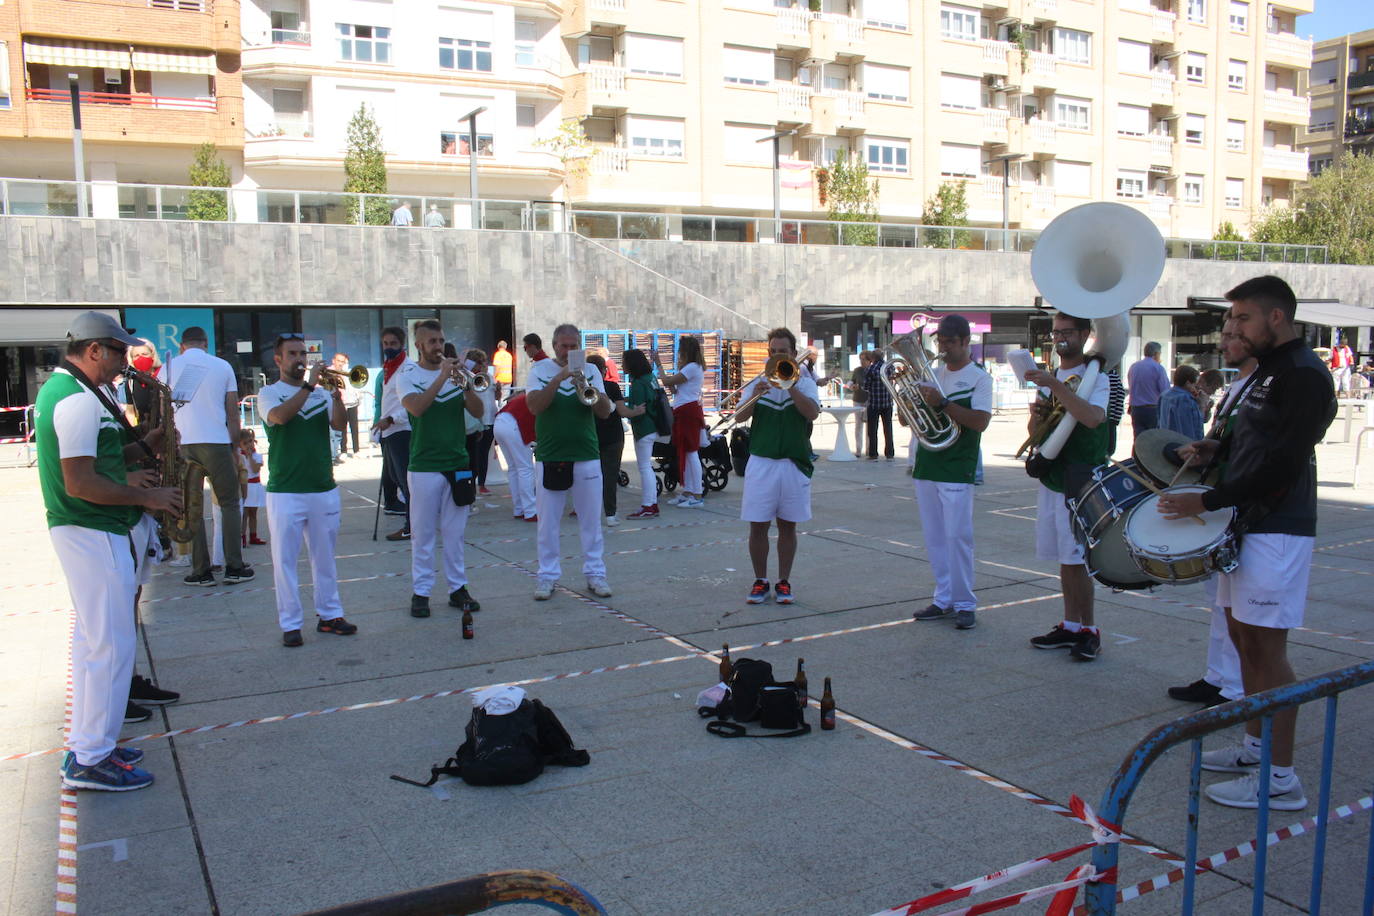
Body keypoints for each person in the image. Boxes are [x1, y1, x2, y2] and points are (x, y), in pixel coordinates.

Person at [1159, 276, 1335, 811]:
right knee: (1242, 639)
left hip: (1277, 526)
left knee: (1267, 650)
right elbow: (1256, 442)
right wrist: (1215, 447)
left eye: (1242, 318)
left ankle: (1280, 779)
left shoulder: (1304, 375)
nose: (1231, 327)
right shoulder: (1272, 372)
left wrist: (1208, 503)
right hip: (1249, 524)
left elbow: (1284, 460)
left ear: (1275, 318)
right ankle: (1255, 749)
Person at [40, 312, 181, 791]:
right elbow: (80, 482)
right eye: (120, 352)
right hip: (92, 529)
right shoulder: (77, 400)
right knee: (110, 647)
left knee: (93, 645)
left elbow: (95, 461)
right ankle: (90, 759)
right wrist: (148, 497)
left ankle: (89, 743)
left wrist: (142, 448)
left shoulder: (73, 394)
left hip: (90, 530)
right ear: (94, 350)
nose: (126, 361)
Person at [1167, 319, 1253, 709]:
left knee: (1234, 606)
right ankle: (1218, 677)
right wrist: (1208, 448)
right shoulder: (1236, 389)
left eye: (1237, 334)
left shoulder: (1259, 389)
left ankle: (1234, 687)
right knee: (1220, 600)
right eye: (1227, 334)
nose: (1227, 341)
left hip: (1237, 507)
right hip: (1222, 500)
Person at [257, 335, 357, 647]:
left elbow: (339, 426)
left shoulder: (320, 393)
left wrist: (337, 396)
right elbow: (280, 418)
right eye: (292, 354)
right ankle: (290, 623)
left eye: (303, 353)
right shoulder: (268, 394)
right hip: (285, 490)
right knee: (284, 561)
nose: (299, 358)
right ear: (278, 360)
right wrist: (308, 387)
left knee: (324, 558)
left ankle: (330, 615)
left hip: (322, 487)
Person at [1024, 313, 1111, 662]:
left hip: (1081, 478)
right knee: (1065, 558)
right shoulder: (1052, 377)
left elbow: (1092, 417)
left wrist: (1056, 387)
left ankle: (1090, 629)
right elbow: (1036, 432)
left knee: (1079, 558)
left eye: (1067, 332)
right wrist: (1038, 412)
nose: (1060, 338)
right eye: (1056, 332)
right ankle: (1070, 625)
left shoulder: (1100, 377)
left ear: (1085, 335)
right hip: (1053, 476)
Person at [908, 316, 993, 630]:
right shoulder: (932, 374)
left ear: (964, 341)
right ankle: (943, 598)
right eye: (939, 341)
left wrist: (942, 403)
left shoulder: (979, 378)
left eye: (948, 341)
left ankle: (966, 602)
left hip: (957, 467)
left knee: (958, 538)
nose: (942, 347)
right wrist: (908, 402)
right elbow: (909, 422)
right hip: (927, 464)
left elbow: (980, 421)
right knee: (935, 539)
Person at [399, 321, 485, 619]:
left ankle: (457, 588)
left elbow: (478, 412)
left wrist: (467, 384)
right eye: (432, 341)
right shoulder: (408, 377)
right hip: (424, 466)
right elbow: (417, 408)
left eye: (441, 340)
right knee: (422, 534)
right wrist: (442, 378)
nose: (438, 346)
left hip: (458, 463)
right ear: (419, 346)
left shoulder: (456, 376)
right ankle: (421, 592)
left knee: (455, 533)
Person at [158, 326, 253, 587]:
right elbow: (232, 412)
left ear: (182, 345)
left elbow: (163, 413)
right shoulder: (222, 366)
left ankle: (201, 570)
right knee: (230, 504)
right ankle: (234, 566)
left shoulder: (167, 367)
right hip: (217, 442)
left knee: (193, 508)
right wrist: (235, 448)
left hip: (182, 444)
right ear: (206, 343)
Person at [526, 323, 615, 600]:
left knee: (591, 521)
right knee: (548, 523)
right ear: (554, 347)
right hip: (551, 456)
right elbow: (535, 407)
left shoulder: (590, 371)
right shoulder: (539, 371)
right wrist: (559, 378)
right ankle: (547, 576)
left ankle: (596, 574)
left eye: (573, 346)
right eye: (564, 346)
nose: (568, 351)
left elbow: (603, 413)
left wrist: (585, 384)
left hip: (586, 454)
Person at [737, 327, 820, 605]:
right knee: (758, 526)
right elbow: (738, 417)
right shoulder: (757, 382)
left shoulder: (805, 383)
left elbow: (812, 414)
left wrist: (791, 386)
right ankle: (760, 580)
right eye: (772, 352)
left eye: (782, 352)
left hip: (793, 464)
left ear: (794, 354)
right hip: (762, 463)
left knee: (788, 526)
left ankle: (783, 581)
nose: (776, 356)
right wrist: (755, 396)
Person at [653, 338, 707, 508]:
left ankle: (696, 494)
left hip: (688, 412)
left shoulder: (692, 367)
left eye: (680, 349)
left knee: (691, 453)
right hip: (684, 410)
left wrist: (659, 365)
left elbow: (669, 382)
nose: (678, 352)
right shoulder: (691, 367)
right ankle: (688, 492)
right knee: (685, 452)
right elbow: (675, 389)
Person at [373, 327, 415, 541]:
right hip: (388, 431)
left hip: (401, 430)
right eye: (386, 344)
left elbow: (410, 404)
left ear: (402, 345)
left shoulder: (408, 369)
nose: (389, 347)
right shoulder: (388, 369)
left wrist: (390, 419)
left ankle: (411, 525)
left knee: (406, 481)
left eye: (393, 344)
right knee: (395, 477)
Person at [587, 353, 628, 527]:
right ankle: (610, 514)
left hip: (592, 436)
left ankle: (587, 511)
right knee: (609, 476)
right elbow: (620, 410)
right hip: (613, 437)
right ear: (604, 370)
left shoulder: (584, 387)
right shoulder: (612, 386)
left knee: (589, 476)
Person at [622, 348, 660, 520]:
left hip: (643, 428)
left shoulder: (637, 383)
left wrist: (619, 407)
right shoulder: (650, 378)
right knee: (647, 467)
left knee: (644, 467)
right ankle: (651, 504)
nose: (622, 365)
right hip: (653, 426)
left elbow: (637, 409)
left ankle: (648, 506)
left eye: (624, 362)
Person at [494, 392, 537, 522]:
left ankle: (519, 509)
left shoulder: (531, 394)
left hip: (500, 422)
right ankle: (530, 511)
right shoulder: (544, 397)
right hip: (513, 425)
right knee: (525, 468)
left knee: (514, 468)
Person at [1126, 342, 1169, 439]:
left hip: (1136, 409)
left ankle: (1136, 454)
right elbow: (1165, 391)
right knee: (1152, 440)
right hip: (1152, 409)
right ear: (1156, 353)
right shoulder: (1158, 368)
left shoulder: (1134, 367)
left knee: (1138, 439)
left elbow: (1131, 385)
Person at [862, 348, 895, 460]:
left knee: (872, 430)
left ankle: (873, 453)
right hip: (887, 403)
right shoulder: (890, 367)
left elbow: (866, 387)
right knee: (888, 429)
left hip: (874, 404)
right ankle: (890, 453)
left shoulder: (871, 369)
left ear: (873, 358)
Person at [1157, 364, 1205, 440]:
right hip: (1183, 445)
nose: (1198, 387)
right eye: (1195, 384)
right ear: (1188, 383)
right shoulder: (1185, 399)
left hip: (1166, 441)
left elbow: (1159, 421)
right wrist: (1202, 405)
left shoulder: (1164, 395)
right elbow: (1191, 427)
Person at [330, 352, 362, 460]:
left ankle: (356, 450)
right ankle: (343, 450)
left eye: (343, 362)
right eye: (339, 361)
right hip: (340, 404)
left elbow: (355, 386)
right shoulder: (329, 372)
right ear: (333, 361)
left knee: (354, 427)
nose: (340, 363)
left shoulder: (348, 373)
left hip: (352, 402)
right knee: (342, 428)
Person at [239, 429, 266, 546]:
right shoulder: (239, 456)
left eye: (250, 441)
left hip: (254, 487)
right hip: (244, 486)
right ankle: (242, 537)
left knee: (253, 514)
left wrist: (250, 457)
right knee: (244, 514)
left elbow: (255, 469)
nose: (249, 445)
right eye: (245, 443)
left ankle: (253, 536)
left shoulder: (257, 456)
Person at [848, 351, 871, 456]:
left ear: (869, 360)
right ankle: (858, 449)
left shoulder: (872, 370)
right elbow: (851, 381)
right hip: (857, 399)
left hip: (869, 400)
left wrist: (861, 387)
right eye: (860, 359)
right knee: (858, 425)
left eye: (864, 359)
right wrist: (851, 386)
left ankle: (869, 449)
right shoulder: (857, 370)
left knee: (869, 426)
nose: (862, 361)